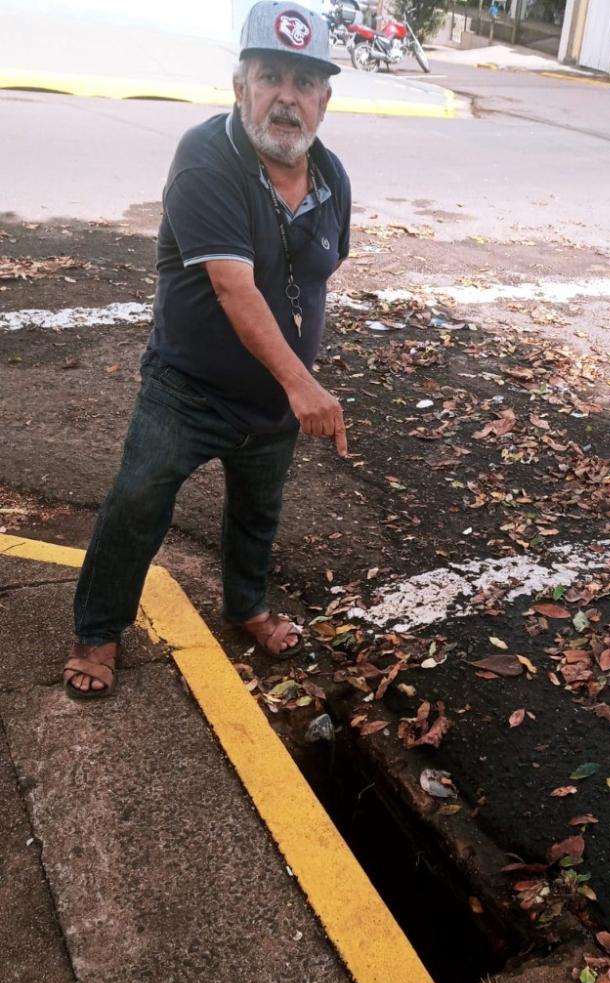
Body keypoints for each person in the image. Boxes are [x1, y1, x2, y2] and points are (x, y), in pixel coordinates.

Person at [63, 1, 351, 698]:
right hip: (187, 388)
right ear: (239, 86)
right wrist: (303, 385)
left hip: (272, 398)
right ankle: (98, 632)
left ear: (324, 99)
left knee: (258, 511)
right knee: (137, 502)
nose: (286, 96)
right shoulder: (206, 157)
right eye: (270, 76)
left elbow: (316, 273)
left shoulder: (331, 176)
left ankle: (246, 607)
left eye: (304, 82)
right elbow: (233, 287)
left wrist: (293, 380)